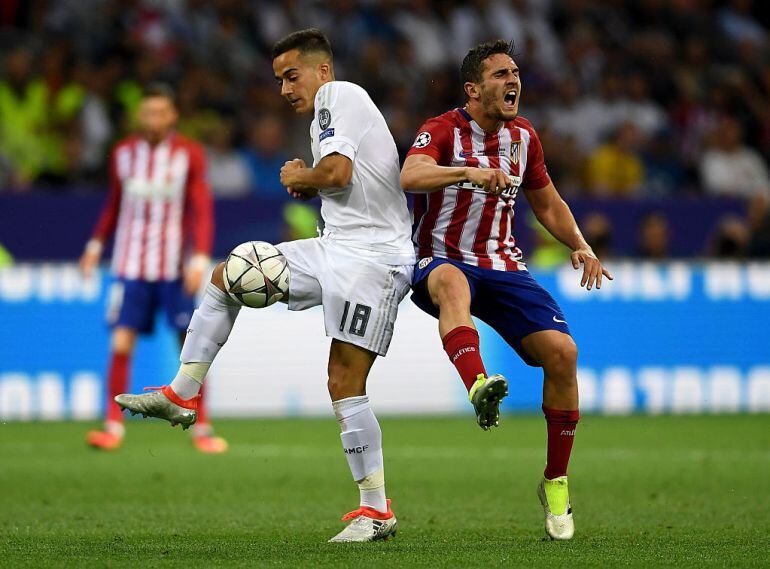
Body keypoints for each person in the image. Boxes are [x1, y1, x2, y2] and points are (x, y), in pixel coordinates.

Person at [113, 29, 415, 543]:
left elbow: (338, 174)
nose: (283, 90)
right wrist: (309, 181)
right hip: (333, 247)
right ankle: (182, 394)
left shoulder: (340, 96)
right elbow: (343, 182)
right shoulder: (326, 114)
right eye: (278, 80)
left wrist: (303, 173)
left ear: (322, 70)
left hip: (374, 261)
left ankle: (375, 511)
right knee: (228, 275)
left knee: (343, 381)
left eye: (290, 76)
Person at [400, 40, 612, 541]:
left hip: (504, 264)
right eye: (500, 74)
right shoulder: (443, 130)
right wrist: (467, 172)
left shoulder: (524, 138)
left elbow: (548, 202)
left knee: (562, 353)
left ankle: (555, 481)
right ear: (473, 90)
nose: (512, 80)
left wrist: (579, 244)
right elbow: (410, 175)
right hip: (442, 257)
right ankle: (477, 384)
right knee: (451, 283)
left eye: (515, 71)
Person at [79, 83, 227, 454]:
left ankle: (202, 426)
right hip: (130, 266)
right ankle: (112, 426)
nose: (152, 119)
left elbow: (200, 209)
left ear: (173, 115)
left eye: (160, 112)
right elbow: (114, 204)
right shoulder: (123, 154)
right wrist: (95, 244)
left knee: (190, 344)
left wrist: (199, 257)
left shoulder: (189, 155)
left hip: (174, 268)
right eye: (146, 112)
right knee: (121, 340)